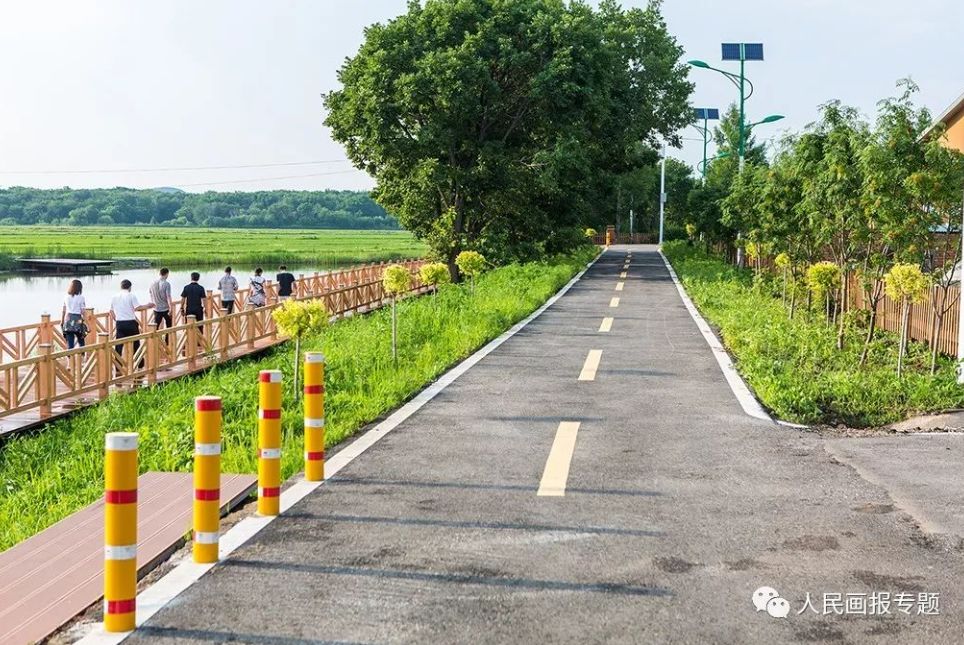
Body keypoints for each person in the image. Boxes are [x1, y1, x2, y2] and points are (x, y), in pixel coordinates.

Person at [111, 279, 153, 361]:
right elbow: (138, 308)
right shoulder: (131, 296)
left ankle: (118, 366)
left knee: (118, 345)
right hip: (130, 323)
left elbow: (111, 311)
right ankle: (139, 363)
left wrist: (116, 320)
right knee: (136, 343)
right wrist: (148, 305)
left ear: (121, 287)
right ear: (130, 287)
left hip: (120, 323)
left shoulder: (114, 297)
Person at [61, 279, 87, 349]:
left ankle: (70, 359)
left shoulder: (66, 297)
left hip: (68, 319)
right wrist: (87, 324)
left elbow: (63, 310)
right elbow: (83, 311)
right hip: (78, 319)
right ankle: (82, 357)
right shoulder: (81, 298)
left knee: (70, 342)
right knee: (81, 340)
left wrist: (62, 321)